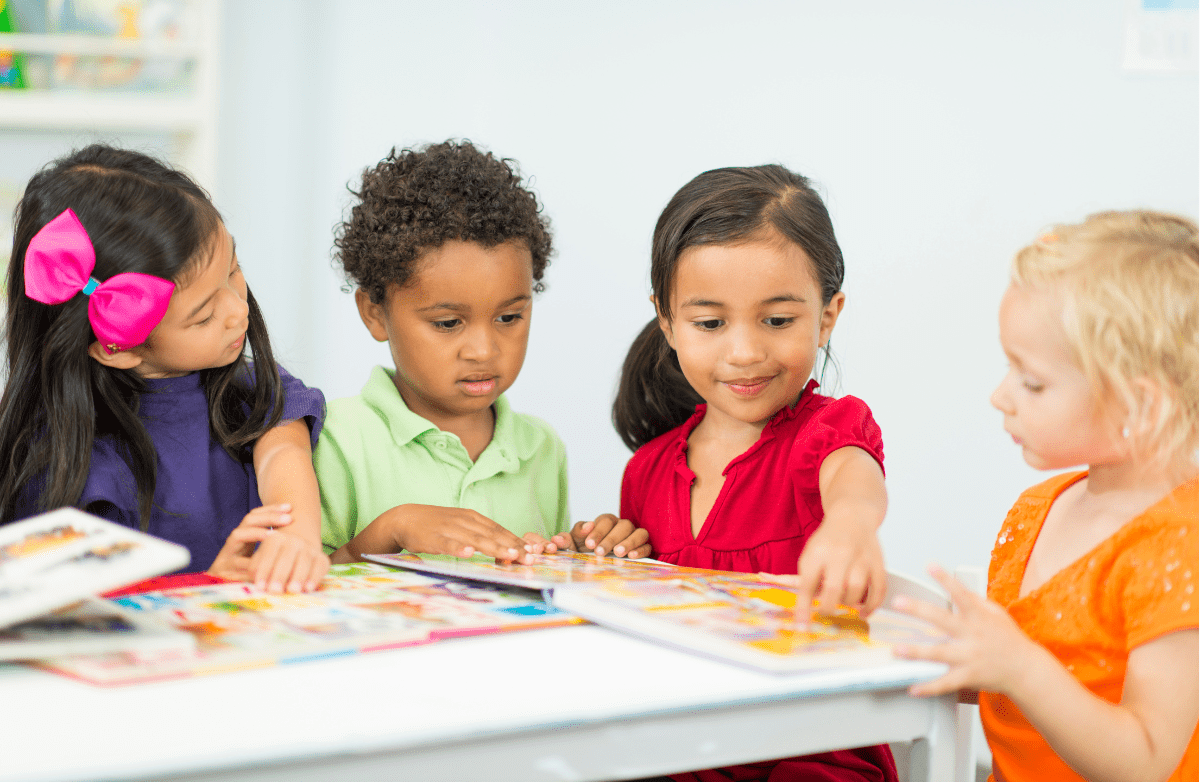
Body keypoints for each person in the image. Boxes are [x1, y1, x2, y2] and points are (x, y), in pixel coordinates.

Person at [614, 164, 897, 782]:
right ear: (667, 320)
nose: (744, 352)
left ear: (827, 315)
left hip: (814, 744)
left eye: (777, 320)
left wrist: (850, 525)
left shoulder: (826, 432)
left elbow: (853, 482)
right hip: (687, 743)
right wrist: (608, 550)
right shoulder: (645, 472)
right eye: (710, 324)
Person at [893, 211, 1199, 782]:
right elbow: (1029, 687)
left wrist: (1018, 667)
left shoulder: (1182, 545)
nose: (1000, 396)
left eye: (1031, 381)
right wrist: (970, 662)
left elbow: (1146, 761)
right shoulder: (1038, 508)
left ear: (1142, 406)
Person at [0, 144, 328, 593]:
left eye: (234, 270)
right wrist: (208, 585)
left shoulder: (247, 390)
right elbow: (72, 606)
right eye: (203, 315)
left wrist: (298, 535)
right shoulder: (66, 466)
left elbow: (282, 452)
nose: (237, 310)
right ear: (117, 347)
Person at [317, 139, 649, 564]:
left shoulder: (541, 448)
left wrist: (583, 555)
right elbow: (300, 587)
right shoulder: (334, 439)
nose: (483, 349)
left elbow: (535, 581)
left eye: (509, 317)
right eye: (448, 323)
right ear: (375, 313)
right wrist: (389, 530)